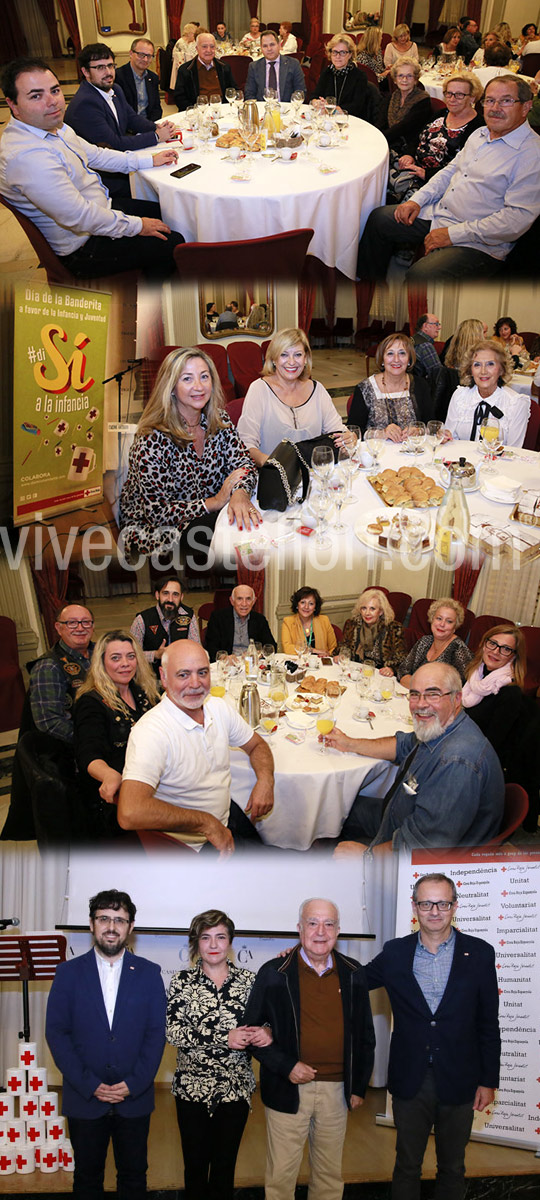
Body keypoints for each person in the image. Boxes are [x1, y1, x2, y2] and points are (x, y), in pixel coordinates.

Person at [365, 873, 500, 1200]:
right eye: (426, 903)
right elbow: (355, 981)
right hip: (412, 1079)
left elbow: (487, 1022)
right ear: (415, 907)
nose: (435, 911)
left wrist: (488, 1080)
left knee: (452, 1168)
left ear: (454, 906)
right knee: (407, 1166)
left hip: (461, 1078)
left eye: (442, 903)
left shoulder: (480, 953)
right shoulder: (395, 952)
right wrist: (308, 957)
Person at [0, 58, 183, 280]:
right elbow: (79, 217)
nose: (53, 102)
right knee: (173, 242)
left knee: (171, 212)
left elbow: (96, 155)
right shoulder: (26, 157)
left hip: (100, 208)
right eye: (36, 96)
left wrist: (149, 161)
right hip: (83, 246)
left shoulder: (54, 126)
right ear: (12, 104)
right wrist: (138, 225)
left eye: (55, 90)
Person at [243, 897, 375, 1200]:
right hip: (288, 1090)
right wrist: (287, 1065)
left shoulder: (354, 973)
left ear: (338, 930)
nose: (320, 931)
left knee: (329, 1177)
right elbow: (251, 1033)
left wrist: (359, 1087)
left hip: (337, 1092)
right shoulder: (274, 973)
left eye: (329, 924)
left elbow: (365, 1035)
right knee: (280, 1178)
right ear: (299, 928)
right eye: (312, 923)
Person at [356, 76, 540, 284]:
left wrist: (452, 234)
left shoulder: (532, 154)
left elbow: (515, 220)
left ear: (526, 107)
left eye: (506, 101)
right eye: (489, 100)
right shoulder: (481, 134)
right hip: (440, 212)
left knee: (421, 276)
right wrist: (417, 200)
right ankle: (369, 290)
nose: (494, 107)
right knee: (379, 219)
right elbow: (450, 171)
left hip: (478, 241)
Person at [46, 888, 166, 1199]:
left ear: (131, 927)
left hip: (134, 1098)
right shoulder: (67, 973)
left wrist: (134, 1083)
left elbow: (156, 1034)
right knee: (87, 1179)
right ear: (91, 924)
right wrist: (90, 1084)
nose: (111, 926)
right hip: (84, 1098)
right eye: (104, 919)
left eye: (119, 920)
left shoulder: (151, 974)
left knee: (134, 1177)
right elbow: (57, 1033)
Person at [118, 641, 274, 854]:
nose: (195, 683)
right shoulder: (151, 732)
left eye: (202, 672)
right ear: (163, 677)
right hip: (194, 847)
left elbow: (256, 744)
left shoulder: (218, 707)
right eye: (183, 675)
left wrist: (266, 780)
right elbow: (129, 812)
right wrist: (206, 823)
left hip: (226, 815)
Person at [329, 663, 505, 851]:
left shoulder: (457, 762)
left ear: (456, 699)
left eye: (433, 694)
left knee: (334, 834)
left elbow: (424, 847)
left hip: (421, 859)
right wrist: (348, 743)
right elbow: (402, 744)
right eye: (415, 694)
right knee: (336, 807)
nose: (421, 704)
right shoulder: (442, 727)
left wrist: (367, 857)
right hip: (399, 813)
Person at [166, 908, 271, 1200]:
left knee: (225, 1170)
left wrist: (266, 1031)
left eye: (220, 937)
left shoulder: (250, 983)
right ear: (196, 943)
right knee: (195, 1170)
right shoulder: (181, 982)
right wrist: (224, 1038)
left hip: (235, 1089)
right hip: (191, 1091)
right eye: (206, 937)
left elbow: (267, 1022)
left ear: (230, 942)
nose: (213, 945)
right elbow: (173, 1032)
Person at [119, 348, 259, 560]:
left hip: (209, 515)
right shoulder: (151, 439)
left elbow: (245, 464)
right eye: (187, 379)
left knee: (249, 515)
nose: (199, 386)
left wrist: (239, 493)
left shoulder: (219, 420)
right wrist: (214, 501)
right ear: (172, 387)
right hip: (156, 532)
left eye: (204, 377)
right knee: (236, 533)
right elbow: (158, 513)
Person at [73, 631, 159, 838]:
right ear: (101, 663)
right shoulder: (91, 702)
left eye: (131, 656)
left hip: (148, 775)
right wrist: (109, 775)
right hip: (118, 795)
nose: (125, 663)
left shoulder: (139, 690)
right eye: (115, 658)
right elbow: (88, 754)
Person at [64, 44, 175, 198]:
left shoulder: (114, 89)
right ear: (85, 71)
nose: (108, 72)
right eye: (100, 68)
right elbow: (114, 145)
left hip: (120, 164)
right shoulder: (85, 104)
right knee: (163, 191)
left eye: (110, 66)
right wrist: (156, 136)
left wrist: (157, 127)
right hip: (106, 181)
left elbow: (132, 118)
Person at [463, 624, 540, 831]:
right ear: (484, 643)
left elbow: (488, 746)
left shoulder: (508, 693)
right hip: (464, 745)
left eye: (505, 649)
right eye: (493, 643)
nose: (496, 652)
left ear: (513, 656)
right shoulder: (474, 676)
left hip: (480, 765)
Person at [237, 327, 349, 464]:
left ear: (306, 359)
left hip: (314, 476)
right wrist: (271, 464)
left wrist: (348, 437)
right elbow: (245, 444)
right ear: (273, 359)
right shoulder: (259, 389)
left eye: (298, 355)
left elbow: (337, 431)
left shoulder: (317, 389)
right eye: (284, 355)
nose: (291, 362)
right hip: (273, 476)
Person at [387, 71, 483, 207]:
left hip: (435, 182)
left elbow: (465, 168)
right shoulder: (442, 114)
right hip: (412, 167)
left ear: (472, 98)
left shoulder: (478, 127)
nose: (452, 99)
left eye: (459, 95)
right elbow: (419, 136)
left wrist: (426, 173)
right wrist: (410, 153)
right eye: (448, 93)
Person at [347, 333, 435, 440]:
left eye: (402, 353)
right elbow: (353, 432)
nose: (396, 359)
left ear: (409, 359)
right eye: (390, 354)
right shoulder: (365, 389)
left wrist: (419, 430)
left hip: (412, 453)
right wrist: (381, 433)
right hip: (376, 453)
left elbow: (431, 425)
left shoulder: (420, 385)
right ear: (382, 359)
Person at [444, 338, 530, 446]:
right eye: (477, 365)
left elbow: (514, 451)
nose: (483, 371)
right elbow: (450, 440)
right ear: (470, 370)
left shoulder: (516, 403)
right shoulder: (460, 396)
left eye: (490, 364)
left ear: (501, 369)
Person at [130, 575, 199, 678]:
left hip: (183, 675)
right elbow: (131, 656)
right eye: (165, 593)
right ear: (157, 595)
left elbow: (197, 650)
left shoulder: (188, 616)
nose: (170, 599)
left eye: (175, 594)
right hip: (152, 678)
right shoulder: (142, 620)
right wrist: (156, 655)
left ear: (181, 597)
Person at [397, 598, 472, 689]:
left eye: (449, 621)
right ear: (432, 619)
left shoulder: (459, 650)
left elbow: (460, 688)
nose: (442, 624)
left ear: (455, 626)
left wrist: (414, 685)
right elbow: (402, 671)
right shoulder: (424, 641)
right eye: (439, 618)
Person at [311, 34, 382, 124]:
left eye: (343, 52)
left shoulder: (359, 76)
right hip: (328, 121)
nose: (338, 56)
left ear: (350, 54)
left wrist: (334, 109)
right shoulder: (327, 72)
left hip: (351, 122)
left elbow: (357, 106)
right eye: (335, 52)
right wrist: (316, 102)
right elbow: (315, 95)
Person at [341, 588, 405, 674]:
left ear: (381, 611)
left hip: (380, 674)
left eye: (372, 609)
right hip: (355, 672)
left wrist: (392, 669)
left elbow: (402, 660)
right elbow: (343, 647)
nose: (367, 613)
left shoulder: (393, 629)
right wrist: (341, 655)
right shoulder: (353, 624)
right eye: (364, 608)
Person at [205, 586, 276, 662]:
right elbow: (210, 646)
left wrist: (258, 653)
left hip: (252, 664)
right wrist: (224, 657)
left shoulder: (259, 619)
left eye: (248, 599)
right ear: (232, 601)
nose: (244, 604)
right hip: (228, 665)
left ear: (254, 601)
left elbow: (271, 646)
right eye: (239, 599)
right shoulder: (218, 618)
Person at [433, 318, 486, 420]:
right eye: (483, 333)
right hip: (467, 415)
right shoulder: (478, 369)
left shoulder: (451, 361)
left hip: (446, 414)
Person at [174, 33, 236, 111]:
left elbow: (233, 90)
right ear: (197, 49)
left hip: (222, 109)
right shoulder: (186, 70)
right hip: (198, 111)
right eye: (204, 46)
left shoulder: (224, 67)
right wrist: (196, 111)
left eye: (212, 46)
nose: (209, 50)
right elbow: (179, 98)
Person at [384, 58, 432, 156]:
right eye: (400, 75)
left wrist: (379, 138)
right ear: (395, 80)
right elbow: (380, 121)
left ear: (415, 79)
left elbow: (404, 127)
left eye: (409, 76)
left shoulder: (422, 100)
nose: (404, 80)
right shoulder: (393, 96)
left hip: (408, 149)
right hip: (389, 141)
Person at [244, 31, 306, 103]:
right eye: (265, 46)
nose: (269, 49)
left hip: (286, 109)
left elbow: (300, 91)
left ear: (279, 45)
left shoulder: (293, 64)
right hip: (263, 109)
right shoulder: (254, 66)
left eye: (272, 44)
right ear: (261, 48)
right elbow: (249, 93)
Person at [113, 38, 163, 121]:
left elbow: (156, 108)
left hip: (148, 124)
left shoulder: (153, 77)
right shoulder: (118, 77)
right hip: (128, 128)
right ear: (131, 53)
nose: (145, 59)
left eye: (149, 56)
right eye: (141, 55)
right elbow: (119, 111)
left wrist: (151, 126)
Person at [281, 587, 337, 656]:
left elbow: (333, 647)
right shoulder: (288, 622)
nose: (306, 607)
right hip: (299, 663)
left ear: (315, 607)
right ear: (297, 605)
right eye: (303, 602)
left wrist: (328, 654)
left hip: (320, 664)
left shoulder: (324, 620)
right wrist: (312, 650)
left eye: (311, 604)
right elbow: (287, 648)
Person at [412, 313, 443, 379]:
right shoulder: (426, 346)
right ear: (425, 326)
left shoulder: (412, 340)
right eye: (436, 324)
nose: (440, 327)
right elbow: (438, 374)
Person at [170, 22, 198, 91]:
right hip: (183, 68)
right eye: (194, 34)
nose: (195, 36)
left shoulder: (193, 42)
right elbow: (175, 56)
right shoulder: (181, 42)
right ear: (190, 33)